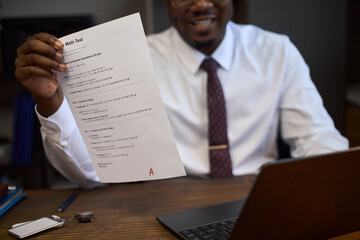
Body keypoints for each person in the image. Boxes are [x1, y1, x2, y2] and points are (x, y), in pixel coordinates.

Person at [15, 0, 348, 188]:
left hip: (259, 196)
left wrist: (319, 188)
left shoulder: (277, 51)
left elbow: (319, 139)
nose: (201, 4)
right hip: (166, 200)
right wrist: (50, 101)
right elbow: (91, 174)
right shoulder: (132, 59)